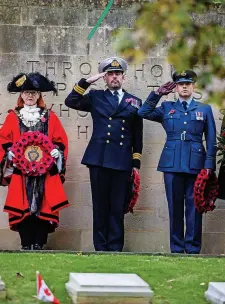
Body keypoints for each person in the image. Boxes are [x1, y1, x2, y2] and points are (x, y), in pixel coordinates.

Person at [65, 57, 143, 251]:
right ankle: (101, 247)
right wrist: (86, 82)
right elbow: (71, 101)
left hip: (122, 160)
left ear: (123, 77)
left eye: (117, 74)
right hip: (99, 159)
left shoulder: (134, 101)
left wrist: (136, 163)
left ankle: (115, 247)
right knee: (100, 206)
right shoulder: (95, 96)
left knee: (118, 207)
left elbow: (138, 135)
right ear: (105, 78)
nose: (114, 77)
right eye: (110, 74)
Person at [138, 70, 216, 254]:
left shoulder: (204, 109)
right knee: (175, 207)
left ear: (193, 86)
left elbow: (211, 138)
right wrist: (157, 94)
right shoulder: (167, 107)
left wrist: (209, 165)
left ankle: (193, 248)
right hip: (172, 163)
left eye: (188, 83)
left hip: (196, 163)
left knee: (195, 207)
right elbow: (143, 112)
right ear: (175, 88)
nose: (185, 86)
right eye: (181, 84)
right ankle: (177, 248)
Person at [0, 72, 69, 250]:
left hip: (44, 172)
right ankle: (25, 243)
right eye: (26, 92)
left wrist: (57, 152)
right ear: (21, 95)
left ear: (39, 95)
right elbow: (4, 140)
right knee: (22, 205)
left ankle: (39, 242)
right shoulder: (13, 117)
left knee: (44, 204)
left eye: (34, 93)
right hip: (21, 172)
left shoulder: (50, 116)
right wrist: (9, 153)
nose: (30, 96)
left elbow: (60, 140)